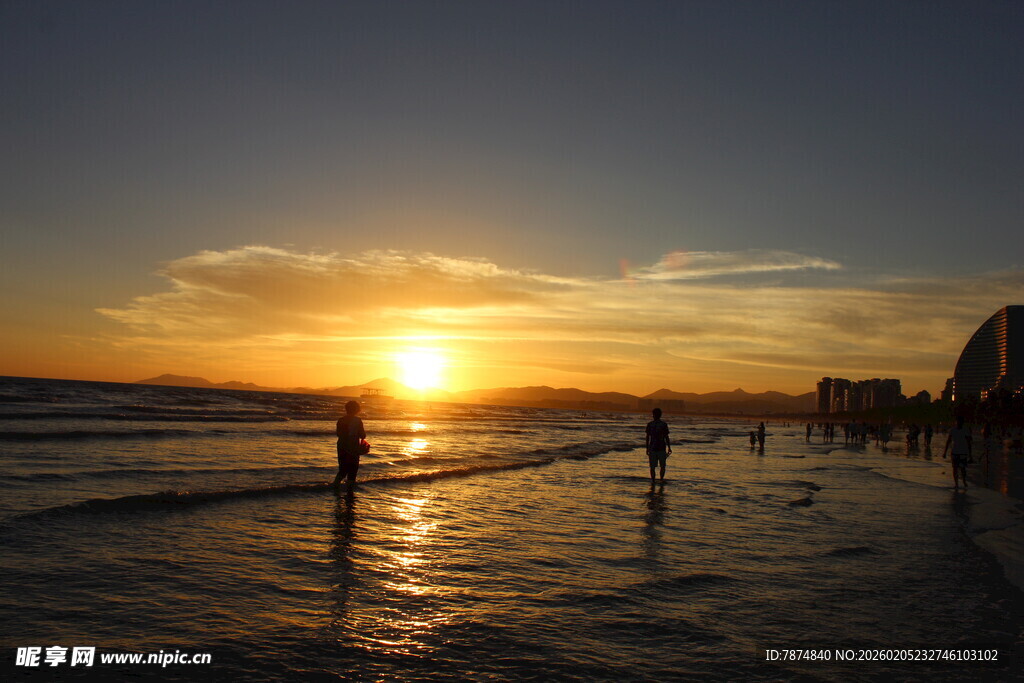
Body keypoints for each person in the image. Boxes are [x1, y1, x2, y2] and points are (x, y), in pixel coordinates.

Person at [334, 400, 366, 493]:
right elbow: (363, 435)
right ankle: (349, 490)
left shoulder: (341, 420)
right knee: (353, 469)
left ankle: (335, 486)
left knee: (342, 469)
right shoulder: (358, 420)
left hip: (342, 445)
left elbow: (338, 434)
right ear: (357, 410)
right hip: (353, 447)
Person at [943, 416, 972, 490]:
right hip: (954, 452)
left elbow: (969, 442)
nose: (958, 423)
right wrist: (945, 452)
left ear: (962, 423)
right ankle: (956, 483)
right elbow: (948, 441)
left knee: (963, 468)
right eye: (957, 422)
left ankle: (964, 481)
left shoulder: (965, 430)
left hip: (963, 452)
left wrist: (970, 455)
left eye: (960, 422)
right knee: (955, 468)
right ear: (956, 422)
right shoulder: (952, 430)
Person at [645, 408, 671, 483]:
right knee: (662, 466)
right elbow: (666, 437)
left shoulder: (650, 424)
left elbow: (647, 437)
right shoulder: (663, 424)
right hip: (660, 447)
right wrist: (669, 447)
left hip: (653, 447)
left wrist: (647, 448)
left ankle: (653, 480)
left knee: (652, 466)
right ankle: (661, 479)